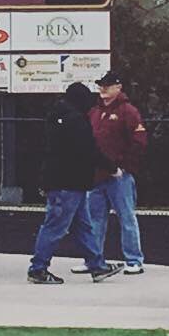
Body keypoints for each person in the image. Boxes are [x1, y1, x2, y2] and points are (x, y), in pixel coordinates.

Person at [27, 81, 124, 284]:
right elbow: (89, 150)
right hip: (70, 182)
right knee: (55, 226)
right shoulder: (77, 121)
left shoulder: (56, 117)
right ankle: (38, 268)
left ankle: (97, 265)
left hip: (64, 181)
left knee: (83, 226)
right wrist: (111, 167)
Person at [73, 70, 148, 275]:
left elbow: (139, 142)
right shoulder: (94, 112)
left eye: (107, 85)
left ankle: (134, 260)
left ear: (118, 87)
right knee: (94, 219)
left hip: (119, 176)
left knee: (126, 217)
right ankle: (94, 259)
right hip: (97, 175)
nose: (103, 89)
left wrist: (123, 166)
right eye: (100, 85)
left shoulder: (128, 111)